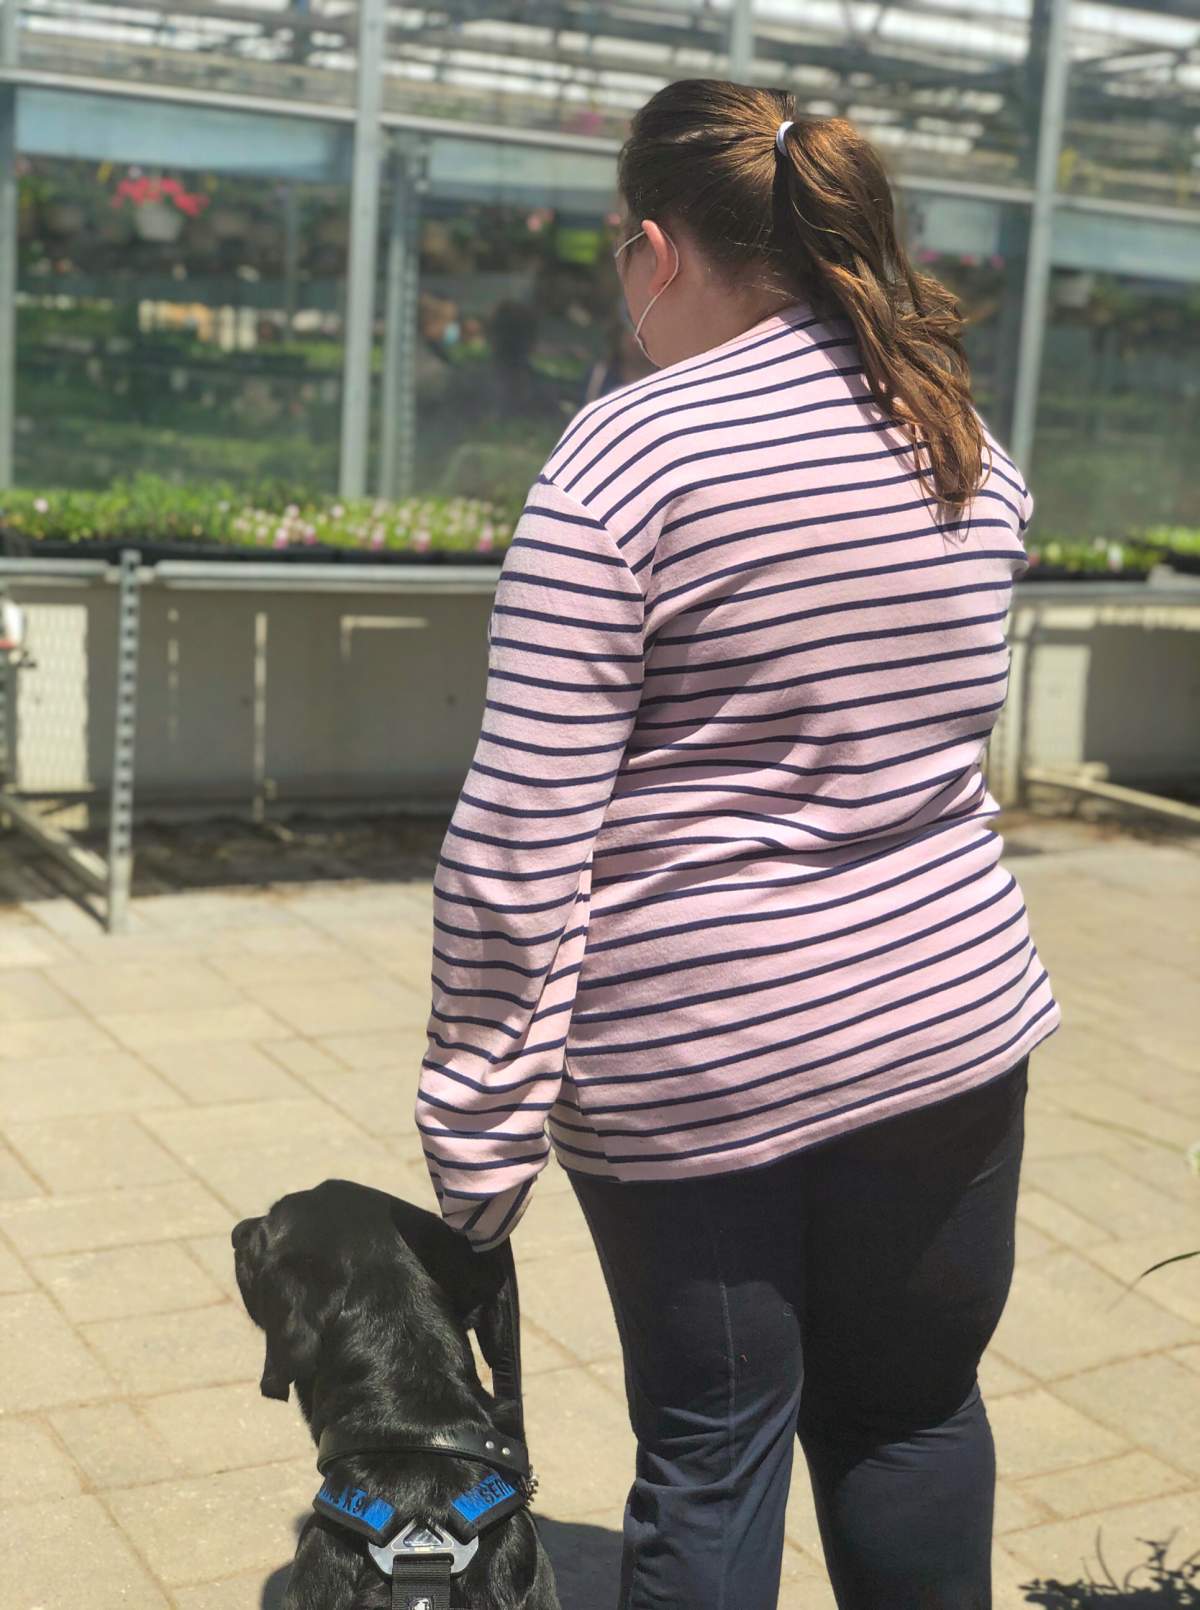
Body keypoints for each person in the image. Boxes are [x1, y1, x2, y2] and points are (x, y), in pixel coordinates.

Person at [416, 78, 1060, 1610]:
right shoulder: (960, 441)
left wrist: (478, 1124)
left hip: (700, 1069)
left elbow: (517, 838)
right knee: (913, 1409)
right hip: (952, 1030)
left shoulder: (625, 460)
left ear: (653, 250)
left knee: (713, 1450)